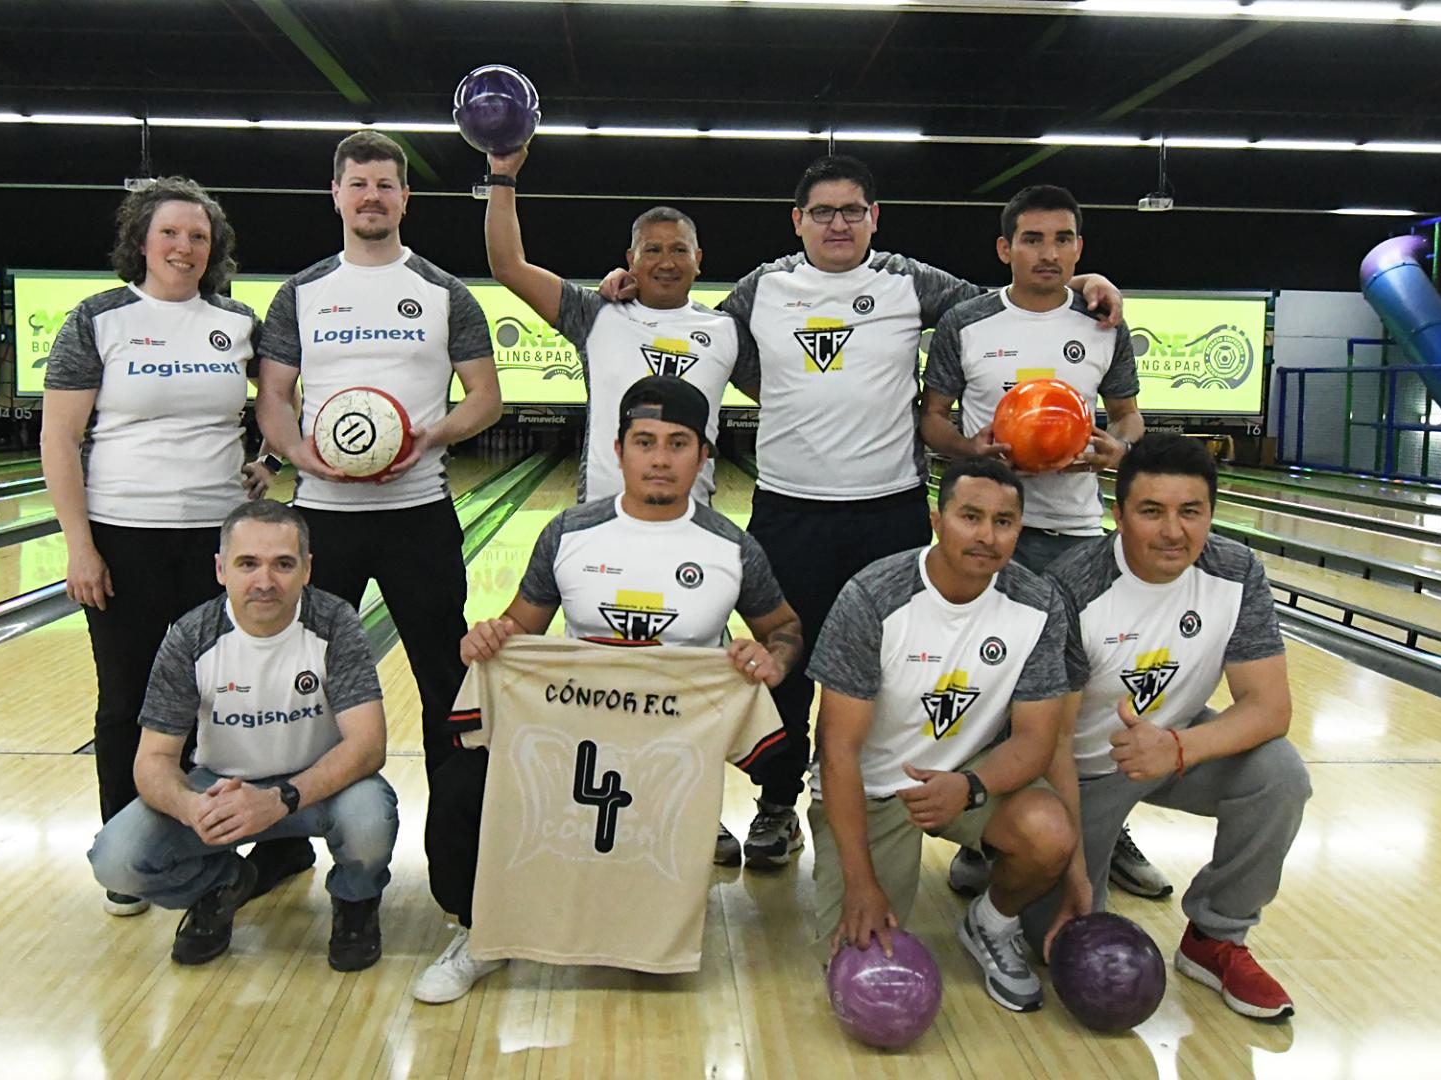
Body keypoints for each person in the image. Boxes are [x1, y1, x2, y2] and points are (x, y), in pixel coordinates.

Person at [608, 155, 1121, 870]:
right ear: (798, 221)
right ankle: (777, 802)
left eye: (853, 210)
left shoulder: (909, 281)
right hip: (789, 509)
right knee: (783, 668)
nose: (838, 223)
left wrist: (1086, 285)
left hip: (891, 512)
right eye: (822, 212)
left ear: (874, 218)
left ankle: (934, 803)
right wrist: (628, 293)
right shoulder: (763, 287)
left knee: (904, 673)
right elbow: (702, 334)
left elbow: (1006, 304)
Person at [412, 375, 803, 1004]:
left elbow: (784, 628)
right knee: (460, 787)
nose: (659, 457)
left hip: (667, 747)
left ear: (704, 456)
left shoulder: (732, 548)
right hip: (569, 734)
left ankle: (645, 919)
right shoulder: (569, 534)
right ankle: (479, 932)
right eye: (644, 441)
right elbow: (519, 629)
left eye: (678, 444)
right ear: (617, 450)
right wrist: (490, 639)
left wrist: (774, 659)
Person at [42, 175, 308, 918]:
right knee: (126, 700)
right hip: (122, 534)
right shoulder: (100, 320)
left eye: (198, 236)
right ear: (142, 241)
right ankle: (127, 859)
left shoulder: (236, 323)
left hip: (214, 541)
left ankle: (210, 840)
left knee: (215, 701)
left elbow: (283, 402)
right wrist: (79, 546)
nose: (185, 247)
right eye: (170, 233)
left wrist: (269, 463)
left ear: (213, 248)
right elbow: (59, 439)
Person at [920, 184, 1167, 903]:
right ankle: (993, 828)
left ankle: (1106, 822)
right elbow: (931, 418)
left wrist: (1112, 453)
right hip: (988, 529)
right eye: (1031, 239)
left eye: (1061, 239)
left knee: (1089, 687)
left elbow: (1128, 417)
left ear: (1078, 250)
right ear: (1005, 250)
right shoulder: (965, 322)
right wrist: (968, 445)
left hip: (1071, 530)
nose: (1047, 252)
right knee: (991, 686)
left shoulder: (1101, 323)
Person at [1022, 434, 1307, 1022]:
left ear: (1211, 513)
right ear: (1118, 514)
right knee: (1053, 942)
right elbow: (1049, 740)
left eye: (1190, 512)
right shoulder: (1073, 588)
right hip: (1076, 775)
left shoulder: (1235, 572)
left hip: (1172, 749)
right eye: (1152, 511)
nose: (1173, 531)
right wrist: (1073, 874)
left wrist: (1177, 746)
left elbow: (1268, 707)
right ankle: (1008, 855)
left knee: (1280, 774)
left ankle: (1216, 938)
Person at [255, 130, 501, 787]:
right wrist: (299, 452)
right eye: (358, 184)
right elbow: (274, 398)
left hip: (418, 512)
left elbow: (486, 398)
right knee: (305, 677)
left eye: (384, 185)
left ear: (404, 198)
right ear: (335, 195)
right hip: (321, 519)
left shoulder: (444, 291)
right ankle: (293, 839)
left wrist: (434, 435)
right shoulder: (300, 293)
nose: (371, 196)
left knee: (444, 677)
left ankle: (455, 848)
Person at [809, 457, 1074, 1014]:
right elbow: (836, 750)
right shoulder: (873, 597)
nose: (986, 535)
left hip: (967, 777)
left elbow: (1034, 741)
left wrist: (970, 785)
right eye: (970, 517)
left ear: (1019, 529)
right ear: (937, 519)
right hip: (872, 789)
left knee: (1049, 832)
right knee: (859, 950)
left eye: (1003, 522)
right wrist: (860, 881)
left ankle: (991, 922)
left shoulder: (1038, 604)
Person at [87, 499, 398, 971]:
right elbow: (152, 760)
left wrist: (281, 798)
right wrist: (192, 808)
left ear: (307, 569)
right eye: (248, 563)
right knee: (116, 861)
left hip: (318, 788)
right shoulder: (191, 636)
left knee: (371, 819)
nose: (265, 581)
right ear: (220, 569)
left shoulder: (334, 623)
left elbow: (368, 744)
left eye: (283, 564)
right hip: (219, 788)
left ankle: (355, 901)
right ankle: (222, 883)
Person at [482, 141, 740, 505]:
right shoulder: (595, 314)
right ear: (630, 259)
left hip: (692, 526)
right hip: (599, 522)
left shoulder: (727, 330)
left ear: (698, 259)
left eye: (679, 250)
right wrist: (503, 177)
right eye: (652, 250)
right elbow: (508, 266)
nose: (667, 262)